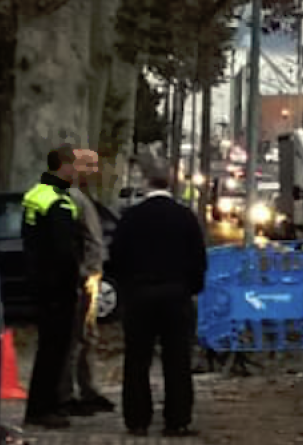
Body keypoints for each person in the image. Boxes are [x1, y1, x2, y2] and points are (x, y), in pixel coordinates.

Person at [110, 161, 207, 437]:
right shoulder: (185, 217)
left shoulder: (131, 217)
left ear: (146, 184)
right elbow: (198, 258)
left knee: (137, 360)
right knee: (177, 360)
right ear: (171, 184)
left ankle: (137, 419)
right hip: (176, 295)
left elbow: (117, 257)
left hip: (139, 296)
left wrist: (128, 288)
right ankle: (177, 419)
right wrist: (190, 288)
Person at [22, 144, 84, 429]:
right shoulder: (58, 202)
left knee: (48, 348)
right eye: (74, 165)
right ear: (63, 166)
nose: (77, 171)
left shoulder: (36, 195)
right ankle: (43, 408)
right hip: (57, 288)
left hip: (41, 282)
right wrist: (74, 279)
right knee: (54, 349)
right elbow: (64, 251)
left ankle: (42, 404)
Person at [59, 149, 116, 416]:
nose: (94, 171)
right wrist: (86, 271)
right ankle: (68, 392)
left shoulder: (81, 197)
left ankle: (86, 388)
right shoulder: (72, 198)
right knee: (77, 336)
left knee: (86, 335)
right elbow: (80, 238)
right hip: (83, 276)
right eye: (88, 165)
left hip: (89, 274)